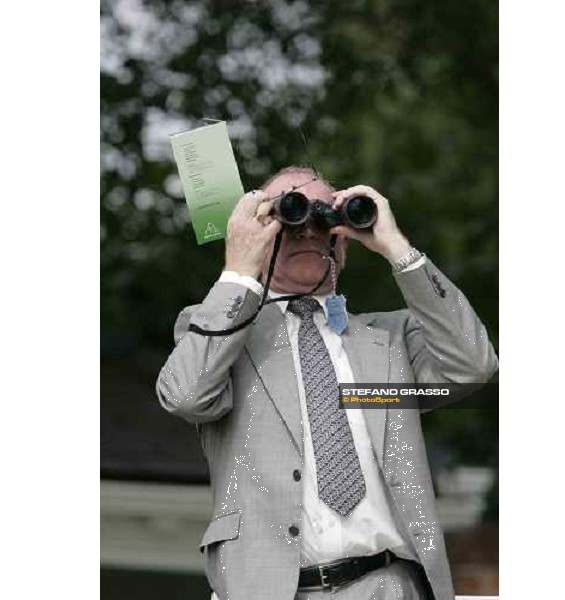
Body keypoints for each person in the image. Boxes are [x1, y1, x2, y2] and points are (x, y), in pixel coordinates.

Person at [156, 166, 498, 600]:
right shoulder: (221, 337)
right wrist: (239, 268)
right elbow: (185, 396)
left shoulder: (390, 340)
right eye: (289, 215)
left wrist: (397, 248)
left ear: (342, 236)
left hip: (390, 585)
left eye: (325, 218)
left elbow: (474, 363)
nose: (308, 231)